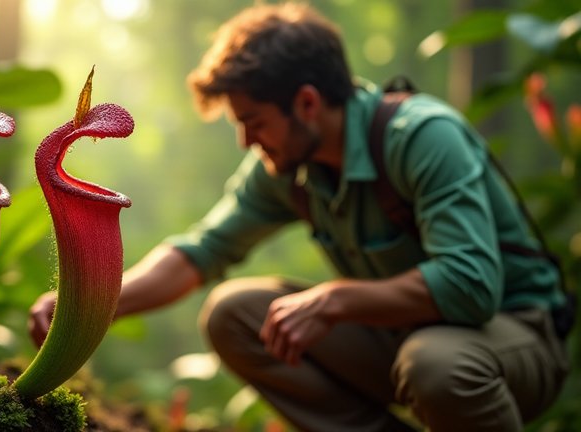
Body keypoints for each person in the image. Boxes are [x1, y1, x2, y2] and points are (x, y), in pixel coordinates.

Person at [29, 3, 570, 431]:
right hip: (408, 337)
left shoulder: (422, 138)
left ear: (307, 103)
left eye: (254, 121)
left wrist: (336, 299)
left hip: (513, 337)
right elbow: (201, 251)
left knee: (438, 366)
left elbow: (471, 286)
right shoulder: (286, 166)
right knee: (235, 315)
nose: (246, 140)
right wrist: (85, 308)